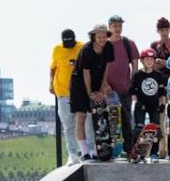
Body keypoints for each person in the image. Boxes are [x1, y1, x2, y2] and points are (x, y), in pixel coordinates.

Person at [70, 24, 115, 161]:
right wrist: (90, 94)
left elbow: (106, 68)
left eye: (104, 36)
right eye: (99, 36)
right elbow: (85, 73)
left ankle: (96, 150)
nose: (101, 39)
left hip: (97, 81)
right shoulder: (87, 50)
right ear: (94, 37)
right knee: (81, 117)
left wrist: (101, 90)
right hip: (79, 84)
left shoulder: (108, 47)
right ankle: (84, 152)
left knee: (97, 116)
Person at [105, 15, 140, 157]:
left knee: (126, 120)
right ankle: (109, 150)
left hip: (125, 88)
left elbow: (135, 66)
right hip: (108, 90)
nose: (117, 28)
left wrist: (134, 86)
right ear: (109, 27)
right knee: (108, 121)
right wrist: (104, 84)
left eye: (119, 26)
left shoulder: (128, 43)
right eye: (114, 26)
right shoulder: (104, 45)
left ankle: (129, 149)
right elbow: (99, 68)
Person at [150, 17, 170, 159]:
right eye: (161, 29)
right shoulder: (154, 45)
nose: (164, 32)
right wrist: (169, 63)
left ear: (169, 29)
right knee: (160, 118)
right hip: (159, 85)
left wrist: (162, 62)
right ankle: (161, 150)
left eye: (166, 29)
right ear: (158, 30)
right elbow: (151, 64)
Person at [50, 29, 84, 164]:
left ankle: (85, 151)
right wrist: (50, 83)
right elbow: (52, 67)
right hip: (62, 92)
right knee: (67, 124)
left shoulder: (81, 47)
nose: (68, 46)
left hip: (79, 91)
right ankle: (72, 154)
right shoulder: (57, 49)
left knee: (81, 123)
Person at [130, 49, 168, 161]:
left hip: (154, 105)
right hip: (141, 105)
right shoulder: (137, 75)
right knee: (138, 129)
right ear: (142, 61)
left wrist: (162, 104)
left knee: (155, 130)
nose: (149, 61)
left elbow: (162, 92)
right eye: (147, 59)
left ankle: (153, 153)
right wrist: (138, 103)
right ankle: (137, 153)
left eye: (151, 59)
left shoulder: (158, 75)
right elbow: (132, 92)